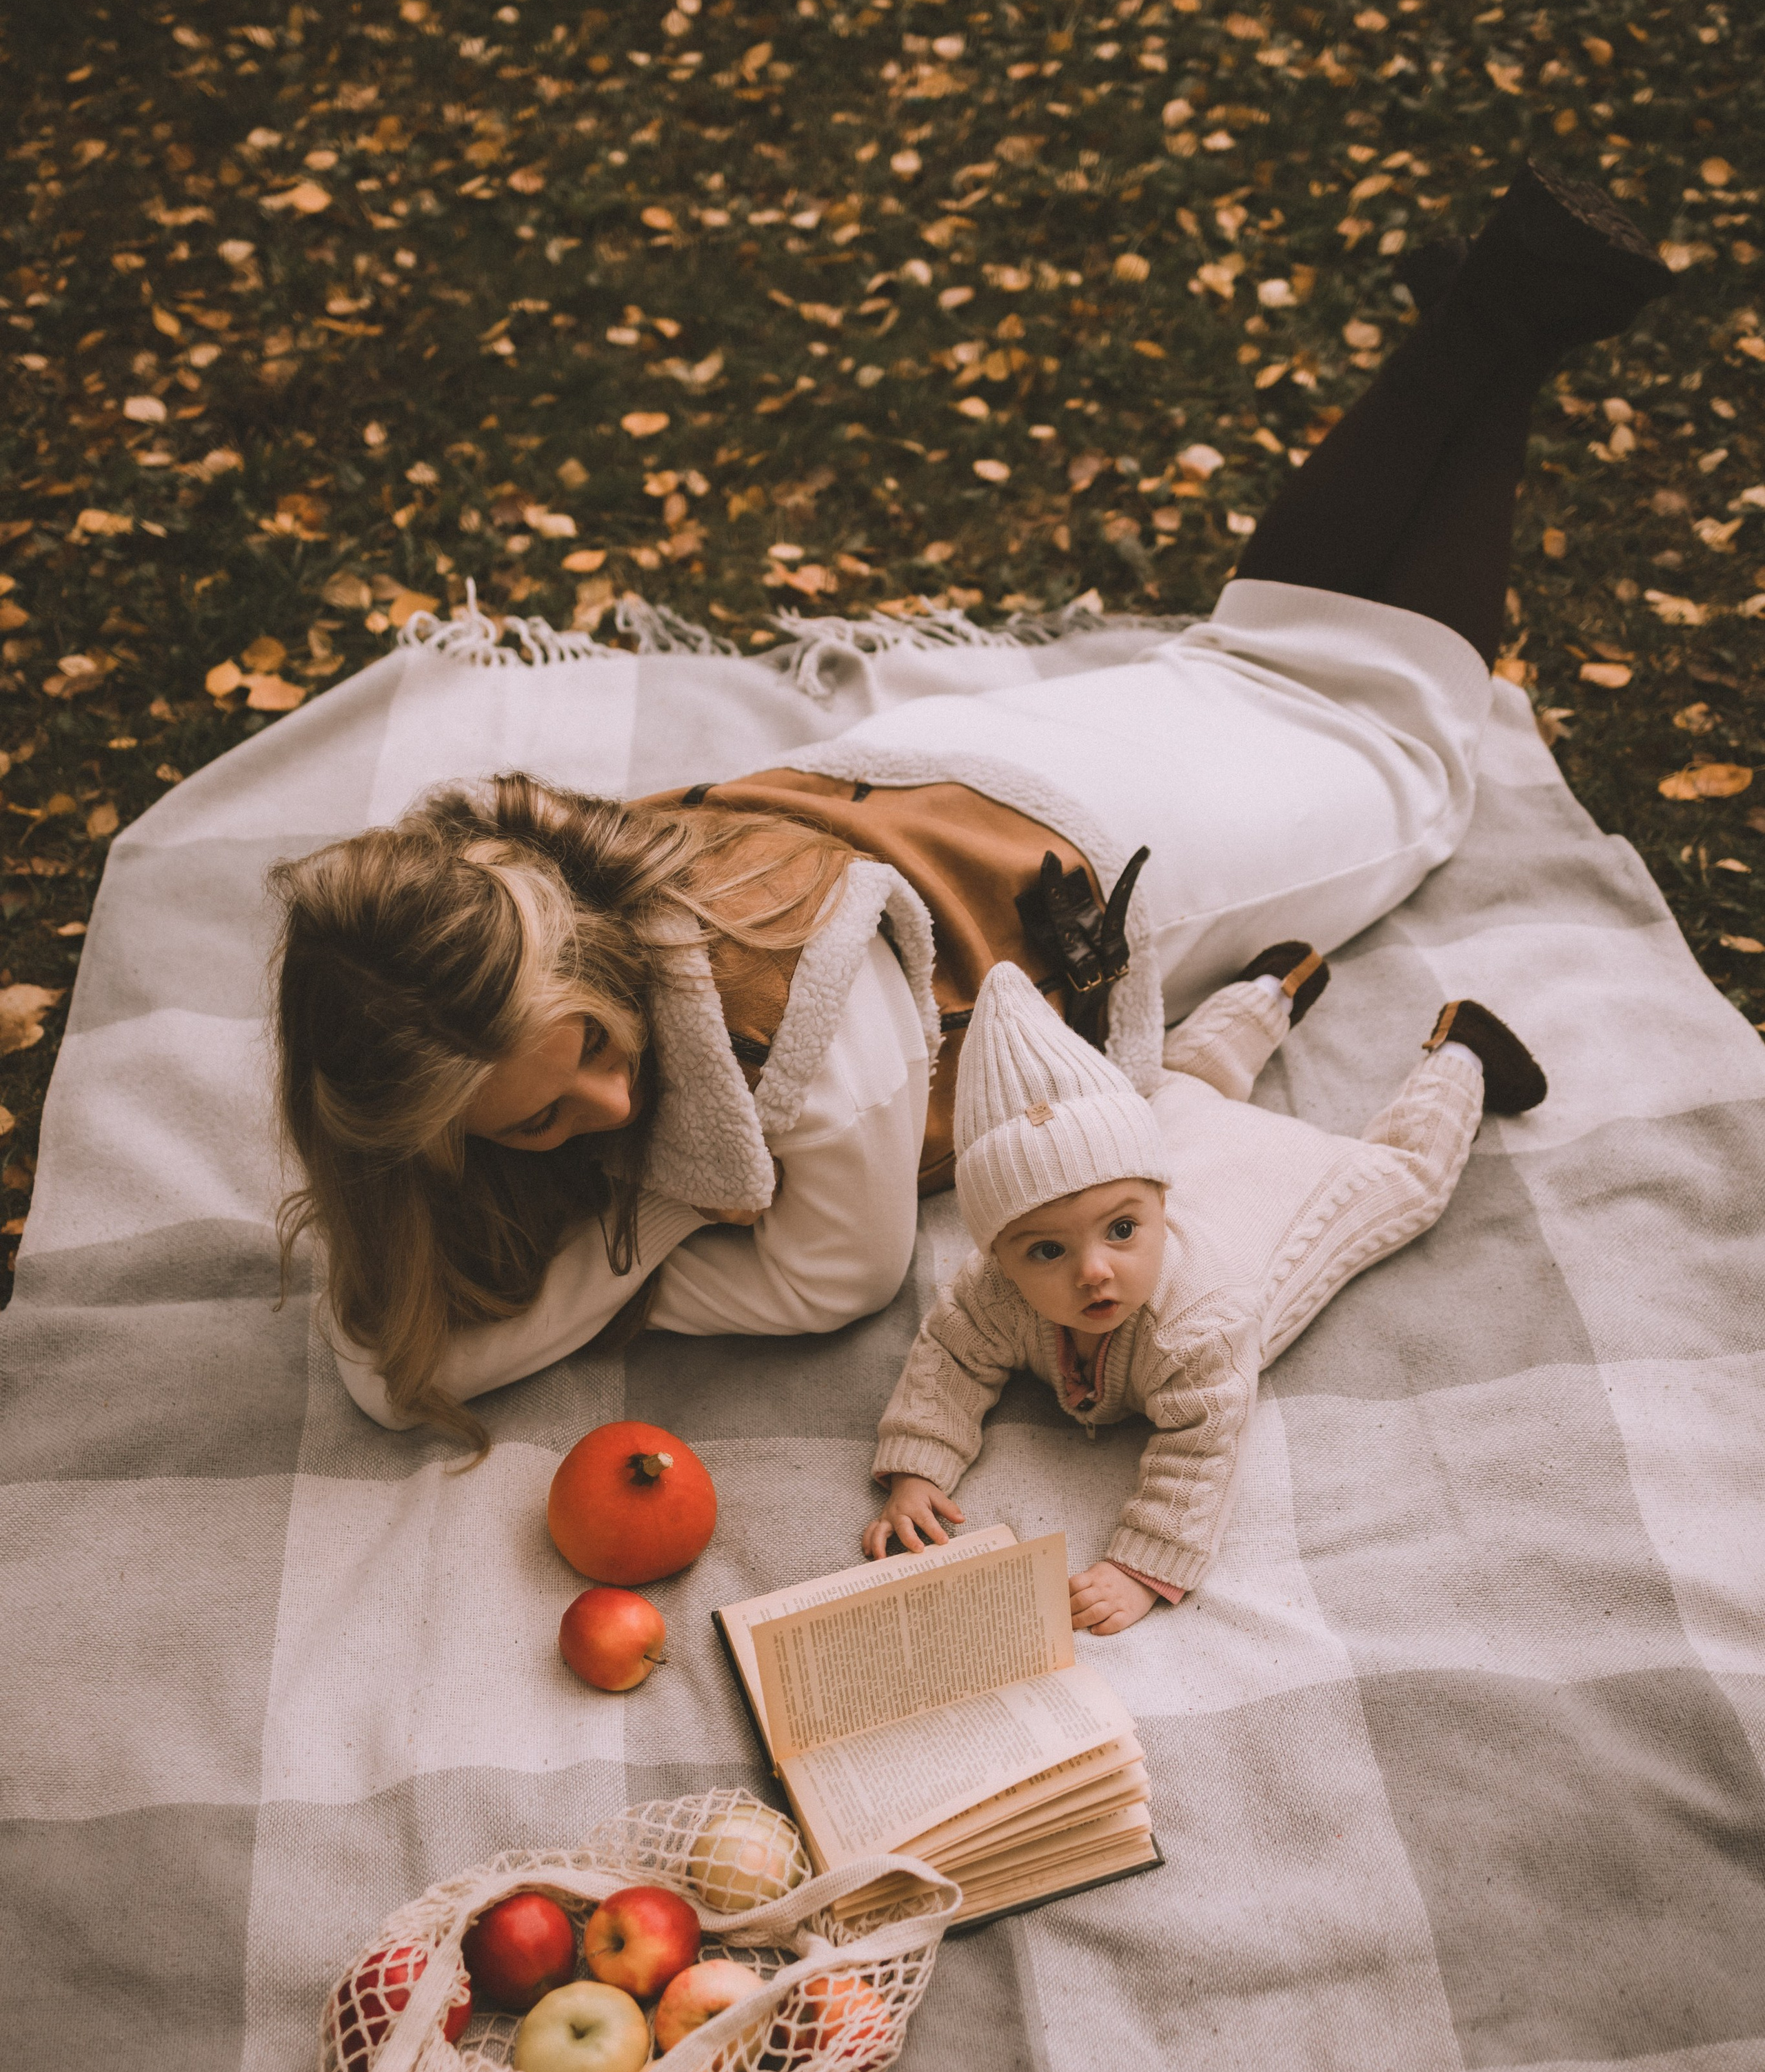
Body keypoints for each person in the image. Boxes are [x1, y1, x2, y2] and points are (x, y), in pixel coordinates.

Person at [270, 161, 1669, 1444]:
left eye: (584, 1042)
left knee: (1404, 759)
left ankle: (1497, 333)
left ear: (579, 957)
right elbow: (377, 1352)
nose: (613, 1093)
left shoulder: (802, 1037)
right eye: (531, 1119)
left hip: (1094, 852)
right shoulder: (520, 907)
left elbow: (837, 1274)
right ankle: (1483, 328)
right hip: (915, 771)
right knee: (1242, 652)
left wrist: (633, 1257)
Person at [860, 954, 1546, 1633]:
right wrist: (918, 1470)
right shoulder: (991, 1291)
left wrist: (1139, 1566)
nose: (1093, 1271)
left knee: (1403, 1176)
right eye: (1048, 1250)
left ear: (1163, 1198)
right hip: (1184, 1133)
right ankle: (1269, 985)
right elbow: (948, 1358)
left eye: (1122, 1230)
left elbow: (1201, 1449)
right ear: (999, 1257)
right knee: (1186, 1085)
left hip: (1291, 1189)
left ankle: (1462, 1051)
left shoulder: (1199, 1327)